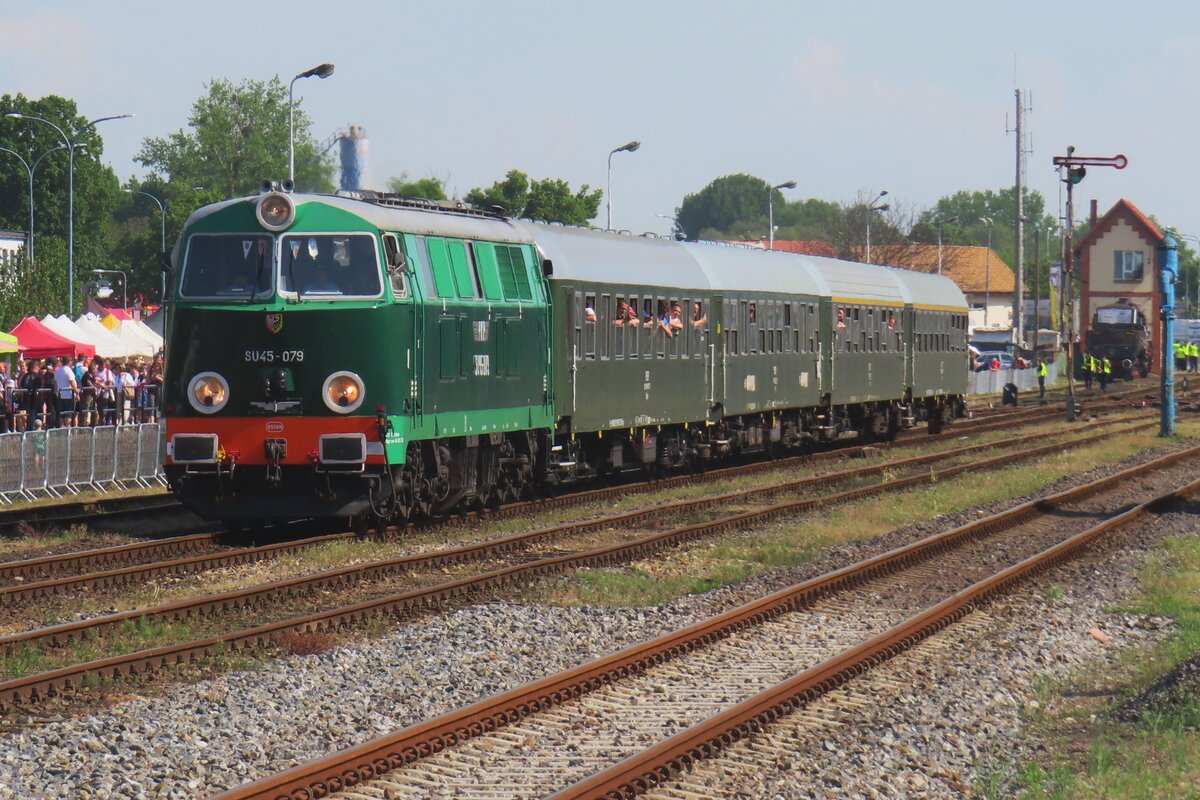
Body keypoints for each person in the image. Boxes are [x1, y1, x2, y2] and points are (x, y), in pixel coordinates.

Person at [53, 356, 79, 428]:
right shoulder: (68, 370)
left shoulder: (58, 370)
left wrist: (57, 392)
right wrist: (77, 392)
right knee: (68, 414)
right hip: (68, 395)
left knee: (61, 414)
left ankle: (61, 429)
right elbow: (72, 382)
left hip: (60, 395)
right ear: (69, 362)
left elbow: (55, 383)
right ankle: (68, 429)